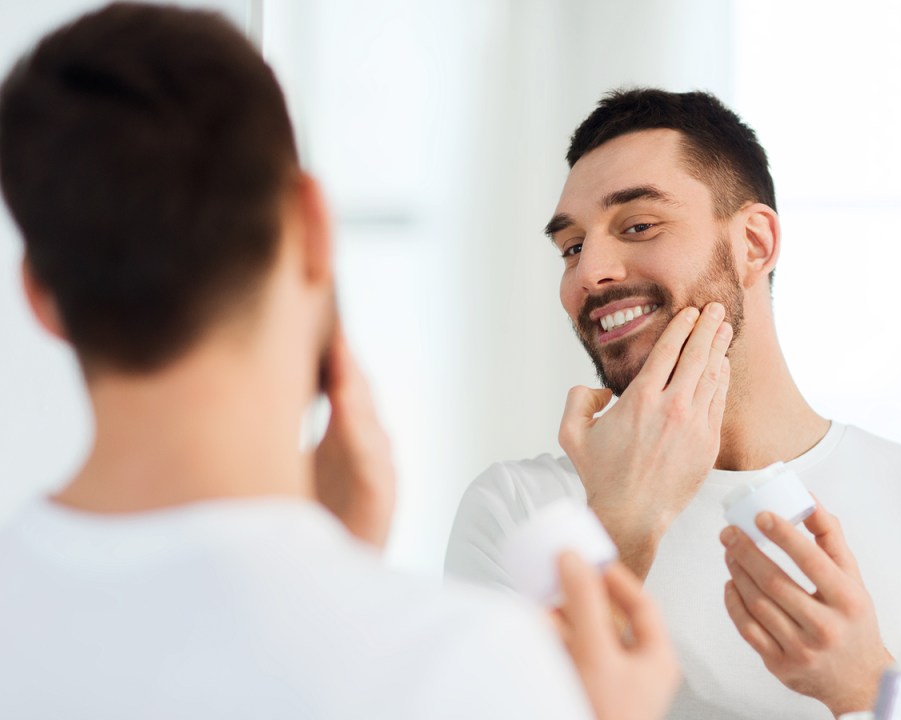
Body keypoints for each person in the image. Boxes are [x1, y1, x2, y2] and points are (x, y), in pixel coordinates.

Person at [0, 5, 678, 719]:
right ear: (315, 226)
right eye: (571, 247)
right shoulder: (472, 665)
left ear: (40, 298)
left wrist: (328, 568)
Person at [446, 88, 901, 719]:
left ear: (754, 244)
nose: (588, 270)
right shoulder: (517, 513)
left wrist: (865, 688)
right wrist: (620, 523)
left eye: (639, 225)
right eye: (570, 247)